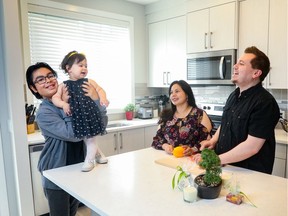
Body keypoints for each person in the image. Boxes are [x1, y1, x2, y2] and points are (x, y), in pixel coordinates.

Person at [26, 62, 100, 215]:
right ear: (34, 88)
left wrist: (96, 100)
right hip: (56, 174)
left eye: (50, 75)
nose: (48, 81)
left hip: (76, 169)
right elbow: (72, 134)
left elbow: (98, 124)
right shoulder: (44, 113)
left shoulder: (73, 99)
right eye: (40, 79)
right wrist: (65, 104)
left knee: (72, 212)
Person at [196, 46, 280, 174]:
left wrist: (216, 160)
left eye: (241, 64)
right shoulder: (234, 95)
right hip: (226, 168)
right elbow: (226, 122)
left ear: (256, 73)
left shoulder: (265, 102)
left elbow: (252, 147)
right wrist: (213, 140)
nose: (235, 66)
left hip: (249, 173)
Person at [52, 51, 109, 172]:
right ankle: (99, 155)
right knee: (86, 138)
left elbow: (100, 89)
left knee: (90, 139)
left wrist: (102, 98)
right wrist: (64, 104)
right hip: (78, 117)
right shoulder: (63, 85)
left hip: (90, 115)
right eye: (80, 65)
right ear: (69, 68)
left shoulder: (89, 81)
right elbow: (55, 98)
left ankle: (89, 160)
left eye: (86, 66)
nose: (84, 68)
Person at [152, 80, 213, 156]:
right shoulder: (166, 115)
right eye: (171, 92)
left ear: (187, 94)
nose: (173, 95)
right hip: (168, 158)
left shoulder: (199, 115)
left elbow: (208, 142)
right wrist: (165, 146)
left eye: (177, 91)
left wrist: (192, 150)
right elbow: (157, 140)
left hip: (191, 161)